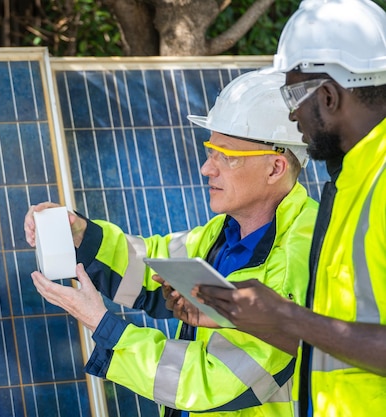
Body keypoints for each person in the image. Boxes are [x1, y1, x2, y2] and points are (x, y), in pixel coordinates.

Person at [24, 70, 318, 416]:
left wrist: (104, 327)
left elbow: (212, 383)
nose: (207, 169)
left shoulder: (299, 256)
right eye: (211, 152)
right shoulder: (225, 232)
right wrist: (81, 234)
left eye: (227, 156)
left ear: (275, 168)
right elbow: (149, 266)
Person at [193, 1, 386, 416]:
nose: (292, 115)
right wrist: (266, 321)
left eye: (293, 95)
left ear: (330, 96)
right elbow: (345, 345)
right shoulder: (351, 181)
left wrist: (288, 316)